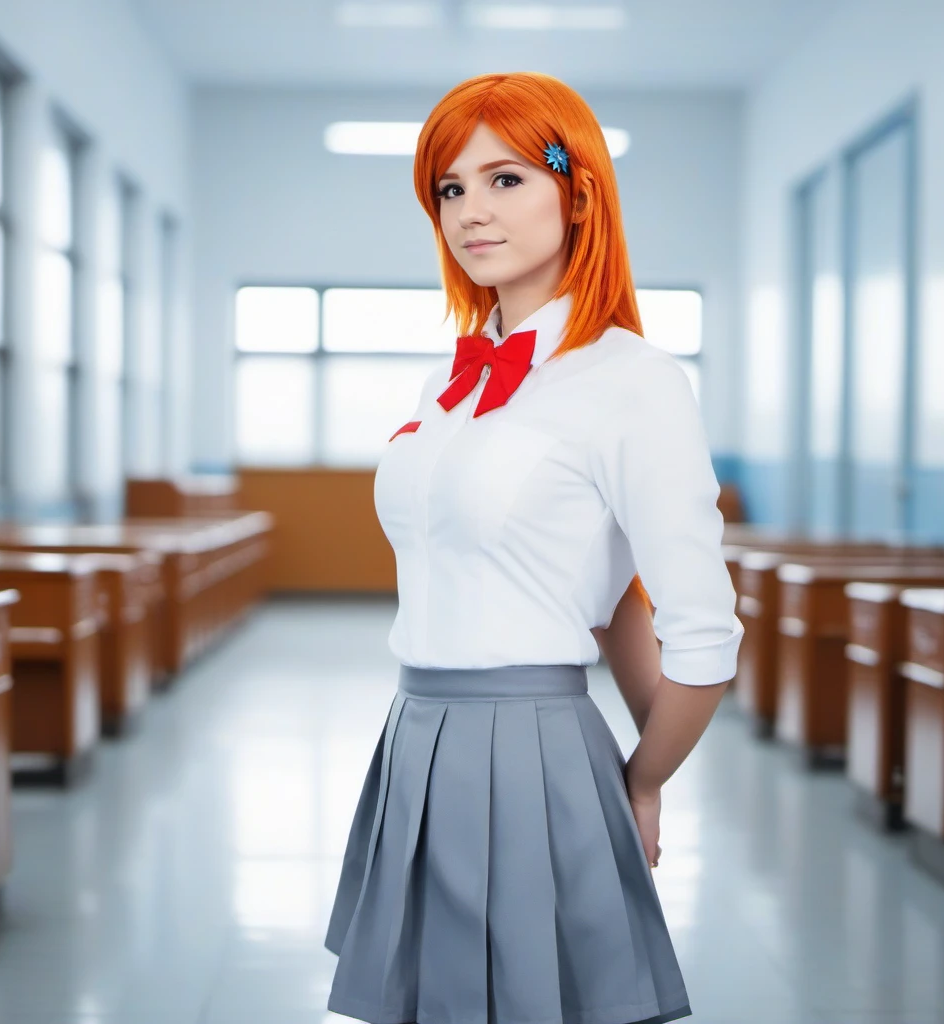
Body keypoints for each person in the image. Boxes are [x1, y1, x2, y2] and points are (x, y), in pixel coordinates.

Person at [323, 71, 744, 1024]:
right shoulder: (447, 379)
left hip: (535, 751)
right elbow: (602, 596)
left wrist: (642, 782)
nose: (471, 210)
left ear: (579, 190)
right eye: (450, 187)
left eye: (506, 178)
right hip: (411, 739)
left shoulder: (633, 380)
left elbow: (700, 632)